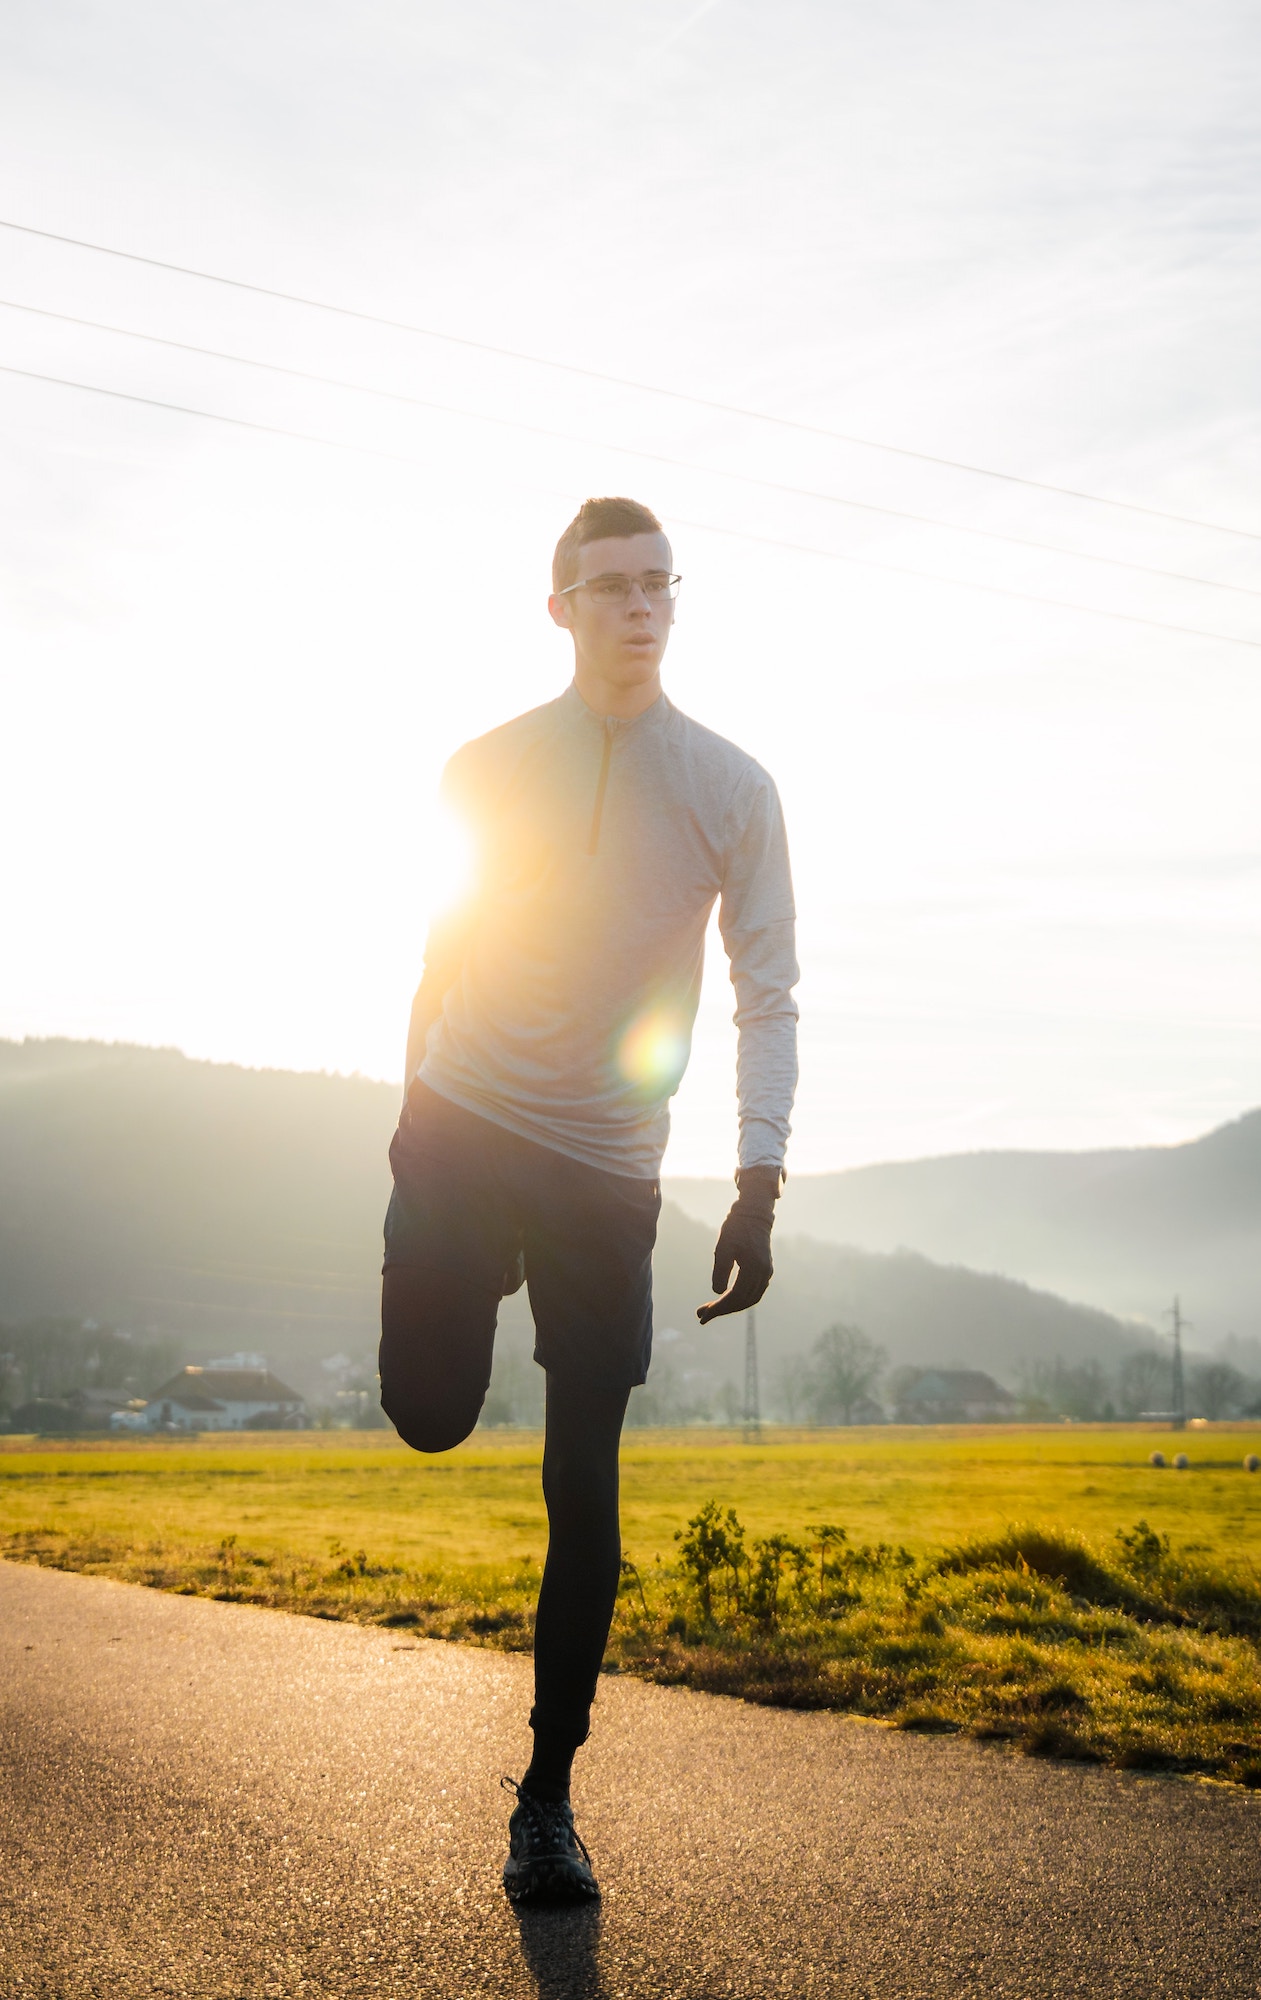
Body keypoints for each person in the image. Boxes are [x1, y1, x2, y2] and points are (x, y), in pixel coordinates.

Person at [380, 495, 798, 1903]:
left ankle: (546, 1797)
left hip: (608, 1169)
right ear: (558, 608)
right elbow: (435, 958)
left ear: (673, 604)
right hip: (461, 1123)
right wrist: (406, 1132)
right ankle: (462, 1262)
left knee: (585, 1485)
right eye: (609, 586)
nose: (638, 607)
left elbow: (768, 991)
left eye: (657, 585)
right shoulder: (485, 765)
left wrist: (756, 1177)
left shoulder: (731, 786)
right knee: (429, 1415)